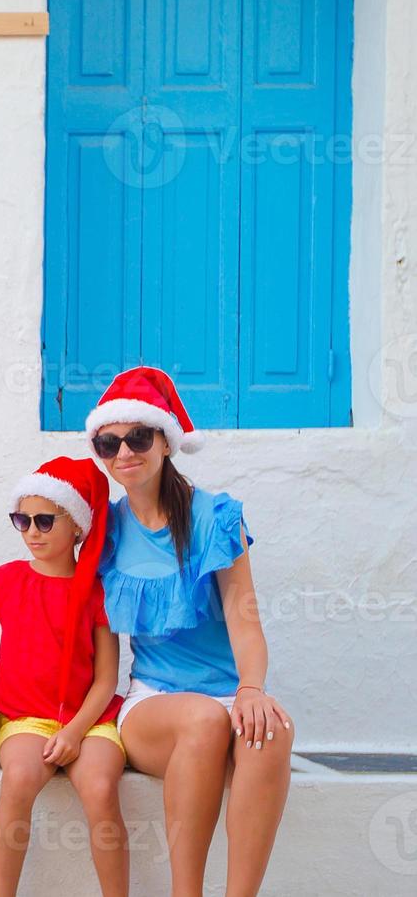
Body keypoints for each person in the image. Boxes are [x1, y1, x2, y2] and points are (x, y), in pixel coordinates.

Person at [86, 366, 292, 897]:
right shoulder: (105, 531)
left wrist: (250, 689)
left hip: (227, 693)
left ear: (165, 441)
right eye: (109, 443)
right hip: (155, 701)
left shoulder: (214, 517)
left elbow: (245, 618)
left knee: (272, 734)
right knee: (201, 719)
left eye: (138, 437)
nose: (124, 452)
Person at [0, 457, 128, 896]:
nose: (32, 532)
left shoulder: (96, 592)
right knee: (20, 778)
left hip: (92, 720)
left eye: (45, 521)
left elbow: (105, 678)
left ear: (77, 527)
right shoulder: (9, 581)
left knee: (100, 789)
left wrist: (76, 732)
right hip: (27, 717)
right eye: (21, 520)